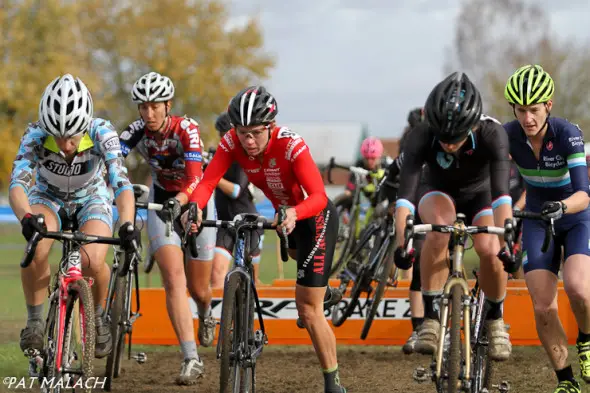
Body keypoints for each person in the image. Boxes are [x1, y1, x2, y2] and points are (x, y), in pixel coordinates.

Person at [188, 86, 347, 393]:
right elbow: (207, 181)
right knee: (308, 294)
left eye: (256, 133)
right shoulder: (231, 142)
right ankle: (318, 292)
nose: (248, 142)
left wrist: (294, 213)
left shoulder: (291, 146)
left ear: (270, 127)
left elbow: (318, 196)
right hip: (284, 218)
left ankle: (333, 383)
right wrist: (194, 207)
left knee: (308, 309)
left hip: (313, 217)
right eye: (242, 132)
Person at [9, 74, 138, 359]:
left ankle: (99, 315)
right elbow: (18, 184)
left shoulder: (102, 132)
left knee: (93, 260)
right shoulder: (35, 135)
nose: (66, 145)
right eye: (58, 136)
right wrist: (25, 217)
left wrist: (127, 223)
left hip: (91, 198)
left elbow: (121, 184)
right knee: (38, 245)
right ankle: (34, 321)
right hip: (48, 197)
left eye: (73, 136)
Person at [393, 72, 513, 362]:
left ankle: (495, 319)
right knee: (438, 230)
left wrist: (509, 242)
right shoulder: (420, 135)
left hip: (481, 194)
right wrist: (402, 246)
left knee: (489, 248)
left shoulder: (493, 134)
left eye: (456, 137)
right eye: (443, 137)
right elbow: (405, 200)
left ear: (473, 124)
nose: (448, 144)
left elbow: (501, 197)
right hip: (436, 189)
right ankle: (432, 319)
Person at [118, 71, 216, 385]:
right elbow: (111, 156)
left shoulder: (186, 129)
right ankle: (191, 358)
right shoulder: (137, 131)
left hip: (194, 199)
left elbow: (196, 177)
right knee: (174, 278)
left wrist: (185, 201)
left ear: (168, 105)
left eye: (155, 106)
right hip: (161, 202)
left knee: (200, 290)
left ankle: (205, 310)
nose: (149, 114)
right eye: (143, 107)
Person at [504, 64, 590, 393]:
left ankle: (586, 338)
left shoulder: (567, 133)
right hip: (538, 219)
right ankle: (566, 380)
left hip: (574, 214)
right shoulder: (509, 135)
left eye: (534, 110)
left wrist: (563, 206)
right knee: (542, 305)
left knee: (580, 289)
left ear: (548, 106)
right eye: (521, 110)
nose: (528, 118)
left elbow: (584, 193)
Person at [381, 108, 427, 354]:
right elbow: (391, 176)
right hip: (419, 211)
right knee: (419, 269)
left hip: (451, 210)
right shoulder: (413, 148)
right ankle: (418, 329)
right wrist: (391, 202)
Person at [210, 112, 265, 288]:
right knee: (216, 273)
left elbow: (236, 191)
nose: (221, 140)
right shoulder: (220, 157)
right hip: (225, 223)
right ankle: (219, 314)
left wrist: (213, 176)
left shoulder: (244, 158)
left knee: (252, 281)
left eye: (224, 136)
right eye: (219, 136)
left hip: (248, 223)